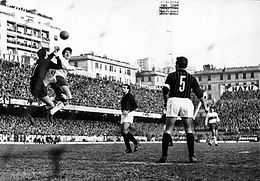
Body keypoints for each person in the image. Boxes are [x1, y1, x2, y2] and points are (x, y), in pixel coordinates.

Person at [158, 56, 208, 163]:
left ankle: (164, 156)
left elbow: (165, 89)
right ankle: (192, 156)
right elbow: (199, 94)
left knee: (168, 129)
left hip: (174, 100)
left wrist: (166, 101)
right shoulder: (191, 78)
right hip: (186, 102)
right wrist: (204, 106)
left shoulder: (171, 75)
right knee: (189, 129)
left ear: (176, 65)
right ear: (185, 66)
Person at [49, 47, 81, 115]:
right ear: (63, 54)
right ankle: (52, 109)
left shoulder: (65, 62)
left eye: (69, 53)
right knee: (69, 97)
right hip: (59, 78)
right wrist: (76, 68)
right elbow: (67, 67)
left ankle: (51, 107)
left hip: (57, 79)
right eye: (66, 52)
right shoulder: (62, 60)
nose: (68, 53)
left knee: (63, 100)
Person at [30, 47, 62, 113]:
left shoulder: (39, 61)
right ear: (45, 55)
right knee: (51, 105)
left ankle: (33, 114)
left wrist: (54, 52)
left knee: (50, 103)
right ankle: (33, 113)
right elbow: (59, 66)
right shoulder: (46, 62)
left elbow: (47, 59)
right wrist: (58, 57)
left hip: (32, 84)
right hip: (38, 86)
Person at [120, 84, 140, 153]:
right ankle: (128, 148)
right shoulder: (124, 97)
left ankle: (136, 142)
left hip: (129, 114)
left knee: (125, 130)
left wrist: (128, 111)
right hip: (123, 114)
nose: (123, 89)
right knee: (123, 132)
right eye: (123, 87)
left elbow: (135, 106)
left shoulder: (130, 96)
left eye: (125, 88)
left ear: (128, 89)